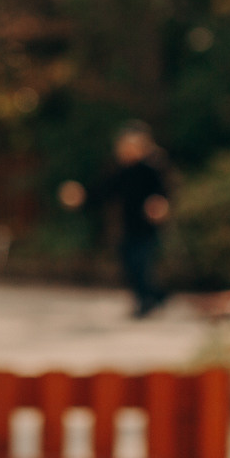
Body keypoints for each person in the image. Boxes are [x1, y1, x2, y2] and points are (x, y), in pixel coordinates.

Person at [58, 122, 172, 318]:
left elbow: (164, 193)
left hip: (148, 226)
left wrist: (160, 205)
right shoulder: (120, 171)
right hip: (128, 225)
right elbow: (103, 192)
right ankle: (157, 296)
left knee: (140, 263)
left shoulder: (152, 168)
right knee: (128, 264)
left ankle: (146, 302)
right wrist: (82, 197)